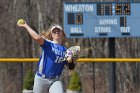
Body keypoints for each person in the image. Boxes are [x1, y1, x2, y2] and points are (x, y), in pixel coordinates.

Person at [17, 21, 78, 93]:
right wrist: (26, 26)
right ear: (51, 34)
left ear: (62, 33)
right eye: (54, 32)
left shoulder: (66, 51)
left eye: (58, 31)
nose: (56, 33)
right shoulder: (48, 44)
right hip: (41, 79)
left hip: (55, 80)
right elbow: (36, 38)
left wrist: (70, 60)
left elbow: (71, 67)